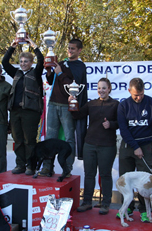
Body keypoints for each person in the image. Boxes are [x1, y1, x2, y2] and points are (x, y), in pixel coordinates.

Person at [117, 77, 152, 222]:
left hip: (146, 146)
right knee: (125, 178)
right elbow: (123, 129)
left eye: (141, 94)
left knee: (145, 181)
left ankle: (143, 211)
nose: (139, 97)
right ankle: (127, 208)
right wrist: (135, 147)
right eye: (136, 95)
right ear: (129, 91)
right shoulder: (123, 105)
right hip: (128, 146)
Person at [39, 38, 88, 176]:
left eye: (73, 48)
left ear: (79, 50)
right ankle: (47, 167)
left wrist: (60, 73)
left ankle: (67, 168)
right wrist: (49, 71)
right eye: (69, 48)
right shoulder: (61, 62)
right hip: (54, 104)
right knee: (50, 138)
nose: (70, 50)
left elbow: (75, 86)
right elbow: (51, 81)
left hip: (68, 107)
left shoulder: (80, 66)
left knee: (68, 139)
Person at [71, 78, 119, 215]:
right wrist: (72, 102)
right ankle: (86, 202)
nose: (101, 90)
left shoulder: (116, 104)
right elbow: (78, 115)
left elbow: (121, 123)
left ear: (109, 89)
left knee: (105, 175)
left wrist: (111, 124)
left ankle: (105, 204)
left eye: (104, 88)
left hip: (107, 146)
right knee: (89, 174)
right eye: (99, 88)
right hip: (90, 144)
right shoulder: (91, 104)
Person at [2, 36, 44, 175]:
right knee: (18, 139)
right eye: (21, 61)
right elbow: (4, 62)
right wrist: (12, 46)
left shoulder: (36, 73)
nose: (23, 63)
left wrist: (34, 45)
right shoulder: (17, 73)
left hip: (30, 112)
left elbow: (42, 60)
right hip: (15, 111)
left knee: (29, 140)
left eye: (26, 61)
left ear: (31, 62)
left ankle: (30, 166)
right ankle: (20, 165)